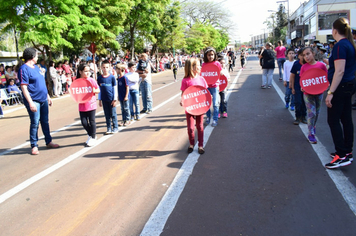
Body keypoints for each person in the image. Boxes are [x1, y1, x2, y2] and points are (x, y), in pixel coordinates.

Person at [325, 18, 356, 169]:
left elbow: (340, 71)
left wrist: (331, 92)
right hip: (349, 85)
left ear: (335, 30)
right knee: (346, 119)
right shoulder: (349, 44)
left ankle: (341, 155)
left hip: (341, 86)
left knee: (333, 120)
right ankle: (347, 152)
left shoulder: (339, 46)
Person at [18, 47, 59, 155]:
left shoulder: (36, 67)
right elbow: (24, 87)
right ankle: (34, 145)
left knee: (45, 121)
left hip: (43, 98)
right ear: (32, 56)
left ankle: (48, 141)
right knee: (35, 122)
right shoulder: (24, 69)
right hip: (34, 100)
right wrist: (30, 102)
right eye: (36, 55)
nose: (37, 57)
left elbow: (41, 83)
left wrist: (48, 97)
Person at [300, 47, 328, 144]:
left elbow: (325, 78)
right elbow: (302, 80)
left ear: (313, 53)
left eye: (308, 54)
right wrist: (302, 87)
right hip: (308, 94)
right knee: (312, 113)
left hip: (319, 93)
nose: (306, 57)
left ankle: (313, 126)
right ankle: (311, 133)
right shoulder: (304, 67)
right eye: (304, 55)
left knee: (317, 112)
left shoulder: (321, 65)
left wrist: (326, 87)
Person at [180, 58, 207, 155]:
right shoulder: (185, 81)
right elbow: (184, 94)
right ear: (192, 67)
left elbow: (205, 92)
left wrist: (209, 98)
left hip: (200, 107)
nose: (200, 67)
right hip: (190, 107)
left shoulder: (201, 79)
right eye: (198, 65)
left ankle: (200, 145)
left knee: (200, 126)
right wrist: (182, 100)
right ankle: (191, 144)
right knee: (191, 127)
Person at [76, 63, 100, 147]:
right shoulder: (77, 82)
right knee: (84, 122)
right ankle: (91, 135)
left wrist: (93, 89)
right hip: (82, 105)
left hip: (91, 104)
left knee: (92, 121)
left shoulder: (92, 80)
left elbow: (98, 90)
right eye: (85, 71)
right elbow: (75, 92)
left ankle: (93, 137)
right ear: (80, 72)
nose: (87, 73)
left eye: (88, 71)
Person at [98, 60, 118, 135]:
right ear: (101, 68)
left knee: (113, 114)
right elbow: (99, 89)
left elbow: (115, 88)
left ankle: (115, 127)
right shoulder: (100, 78)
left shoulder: (112, 77)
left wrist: (115, 99)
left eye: (107, 67)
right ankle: (109, 127)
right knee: (107, 114)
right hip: (104, 99)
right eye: (104, 67)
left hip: (111, 99)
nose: (105, 69)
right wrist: (99, 99)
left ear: (109, 68)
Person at [203, 47, 222, 127]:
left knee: (215, 104)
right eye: (209, 55)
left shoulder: (217, 63)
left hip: (215, 86)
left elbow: (220, 72)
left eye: (212, 55)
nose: (210, 56)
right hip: (206, 86)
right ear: (206, 56)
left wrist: (220, 73)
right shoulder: (204, 64)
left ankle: (215, 119)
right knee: (206, 103)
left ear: (214, 55)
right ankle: (208, 117)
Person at [290, 49, 307, 125]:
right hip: (297, 87)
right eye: (301, 55)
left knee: (304, 103)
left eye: (305, 55)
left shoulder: (308, 64)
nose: (303, 57)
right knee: (298, 102)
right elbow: (292, 76)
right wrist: (292, 87)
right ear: (298, 56)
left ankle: (303, 117)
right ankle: (297, 117)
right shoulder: (296, 64)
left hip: (306, 88)